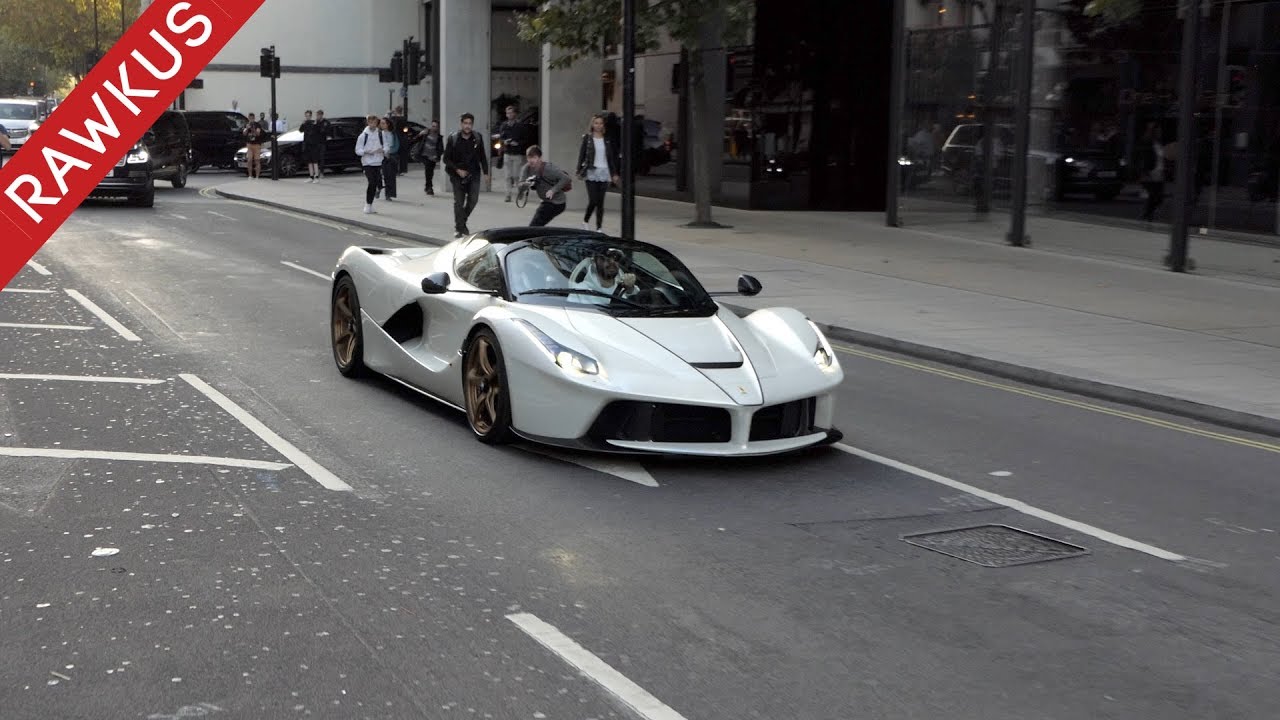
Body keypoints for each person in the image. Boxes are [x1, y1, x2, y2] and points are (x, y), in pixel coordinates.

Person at [443, 112, 490, 238]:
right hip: (457, 175)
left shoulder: (478, 138)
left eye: (470, 124)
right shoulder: (453, 138)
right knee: (459, 201)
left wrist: (486, 172)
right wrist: (457, 170)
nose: (467, 126)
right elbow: (446, 159)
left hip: (474, 174)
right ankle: (459, 228)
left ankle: (460, 224)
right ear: (461, 124)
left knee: (473, 200)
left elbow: (482, 157)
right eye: (465, 123)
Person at [576, 113, 620, 231]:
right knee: (593, 200)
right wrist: (578, 170)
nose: (598, 125)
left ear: (603, 125)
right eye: (596, 123)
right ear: (592, 124)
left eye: (601, 123)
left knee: (600, 202)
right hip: (591, 171)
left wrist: (614, 173)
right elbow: (582, 155)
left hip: (604, 172)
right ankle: (585, 220)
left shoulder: (607, 140)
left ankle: (599, 227)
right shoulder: (587, 138)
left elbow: (611, 158)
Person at [519, 145, 572, 227]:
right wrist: (526, 184)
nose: (530, 160)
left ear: (540, 158)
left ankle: (535, 238)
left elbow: (566, 178)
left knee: (535, 225)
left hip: (557, 202)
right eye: (528, 157)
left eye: (534, 157)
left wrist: (553, 190)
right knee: (538, 225)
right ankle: (539, 238)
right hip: (546, 201)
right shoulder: (526, 169)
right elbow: (520, 186)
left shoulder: (548, 168)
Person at [569, 248, 638, 305]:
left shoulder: (625, 288)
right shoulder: (579, 292)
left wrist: (630, 289)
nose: (612, 261)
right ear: (594, 262)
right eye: (605, 258)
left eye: (616, 258)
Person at [497, 104, 532, 202]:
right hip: (507, 153)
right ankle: (508, 195)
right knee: (507, 176)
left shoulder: (520, 126)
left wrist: (517, 143)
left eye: (510, 113)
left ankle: (520, 193)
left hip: (517, 154)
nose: (508, 114)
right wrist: (505, 142)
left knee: (517, 176)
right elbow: (501, 138)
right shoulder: (504, 125)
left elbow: (526, 139)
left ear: (515, 114)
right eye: (507, 113)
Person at [355, 114, 389, 214]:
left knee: (377, 184)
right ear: (368, 123)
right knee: (372, 182)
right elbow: (358, 150)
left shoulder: (380, 134)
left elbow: (386, 146)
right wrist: (366, 152)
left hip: (378, 162)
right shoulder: (363, 136)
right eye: (371, 122)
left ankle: (370, 205)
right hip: (367, 163)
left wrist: (382, 150)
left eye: (374, 122)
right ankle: (367, 204)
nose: (373, 124)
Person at [412, 119, 444, 195]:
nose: (434, 128)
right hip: (423, 155)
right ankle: (429, 187)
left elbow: (441, 149)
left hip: (432, 156)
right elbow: (414, 140)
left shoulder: (439, 137)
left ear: (438, 128)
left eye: (436, 126)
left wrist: (437, 155)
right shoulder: (426, 133)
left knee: (429, 172)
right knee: (428, 169)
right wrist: (420, 134)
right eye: (433, 126)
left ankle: (428, 187)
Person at [300, 109, 329, 183]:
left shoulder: (315, 123)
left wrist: (316, 124)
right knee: (309, 161)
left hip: (314, 145)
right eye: (306, 116)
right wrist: (302, 124)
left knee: (315, 161)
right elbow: (300, 130)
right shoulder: (305, 123)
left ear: (311, 116)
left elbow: (320, 131)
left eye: (308, 116)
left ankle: (316, 177)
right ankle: (311, 176)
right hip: (307, 144)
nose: (307, 117)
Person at [379, 116, 399, 202]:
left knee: (390, 176)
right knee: (383, 175)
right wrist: (384, 152)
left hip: (391, 156)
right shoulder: (379, 134)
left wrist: (390, 152)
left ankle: (389, 194)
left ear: (388, 124)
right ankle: (379, 188)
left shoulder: (393, 134)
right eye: (381, 123)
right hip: (382, 156)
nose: (382, 125)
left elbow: (396, 145)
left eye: (384, 123)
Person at [243, 114, 264, 179]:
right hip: (249, 144)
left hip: (257, 144)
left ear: (254, 118)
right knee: (249, 160)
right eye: (250, 118)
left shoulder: (257, 125)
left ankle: (257, 176)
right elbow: (244, 134)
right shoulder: (246, 125)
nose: (251, 119)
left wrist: (253, 129)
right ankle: (250, 175)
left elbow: (258, 134)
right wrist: (247, 128)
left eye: (252, 118)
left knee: (257, 160)